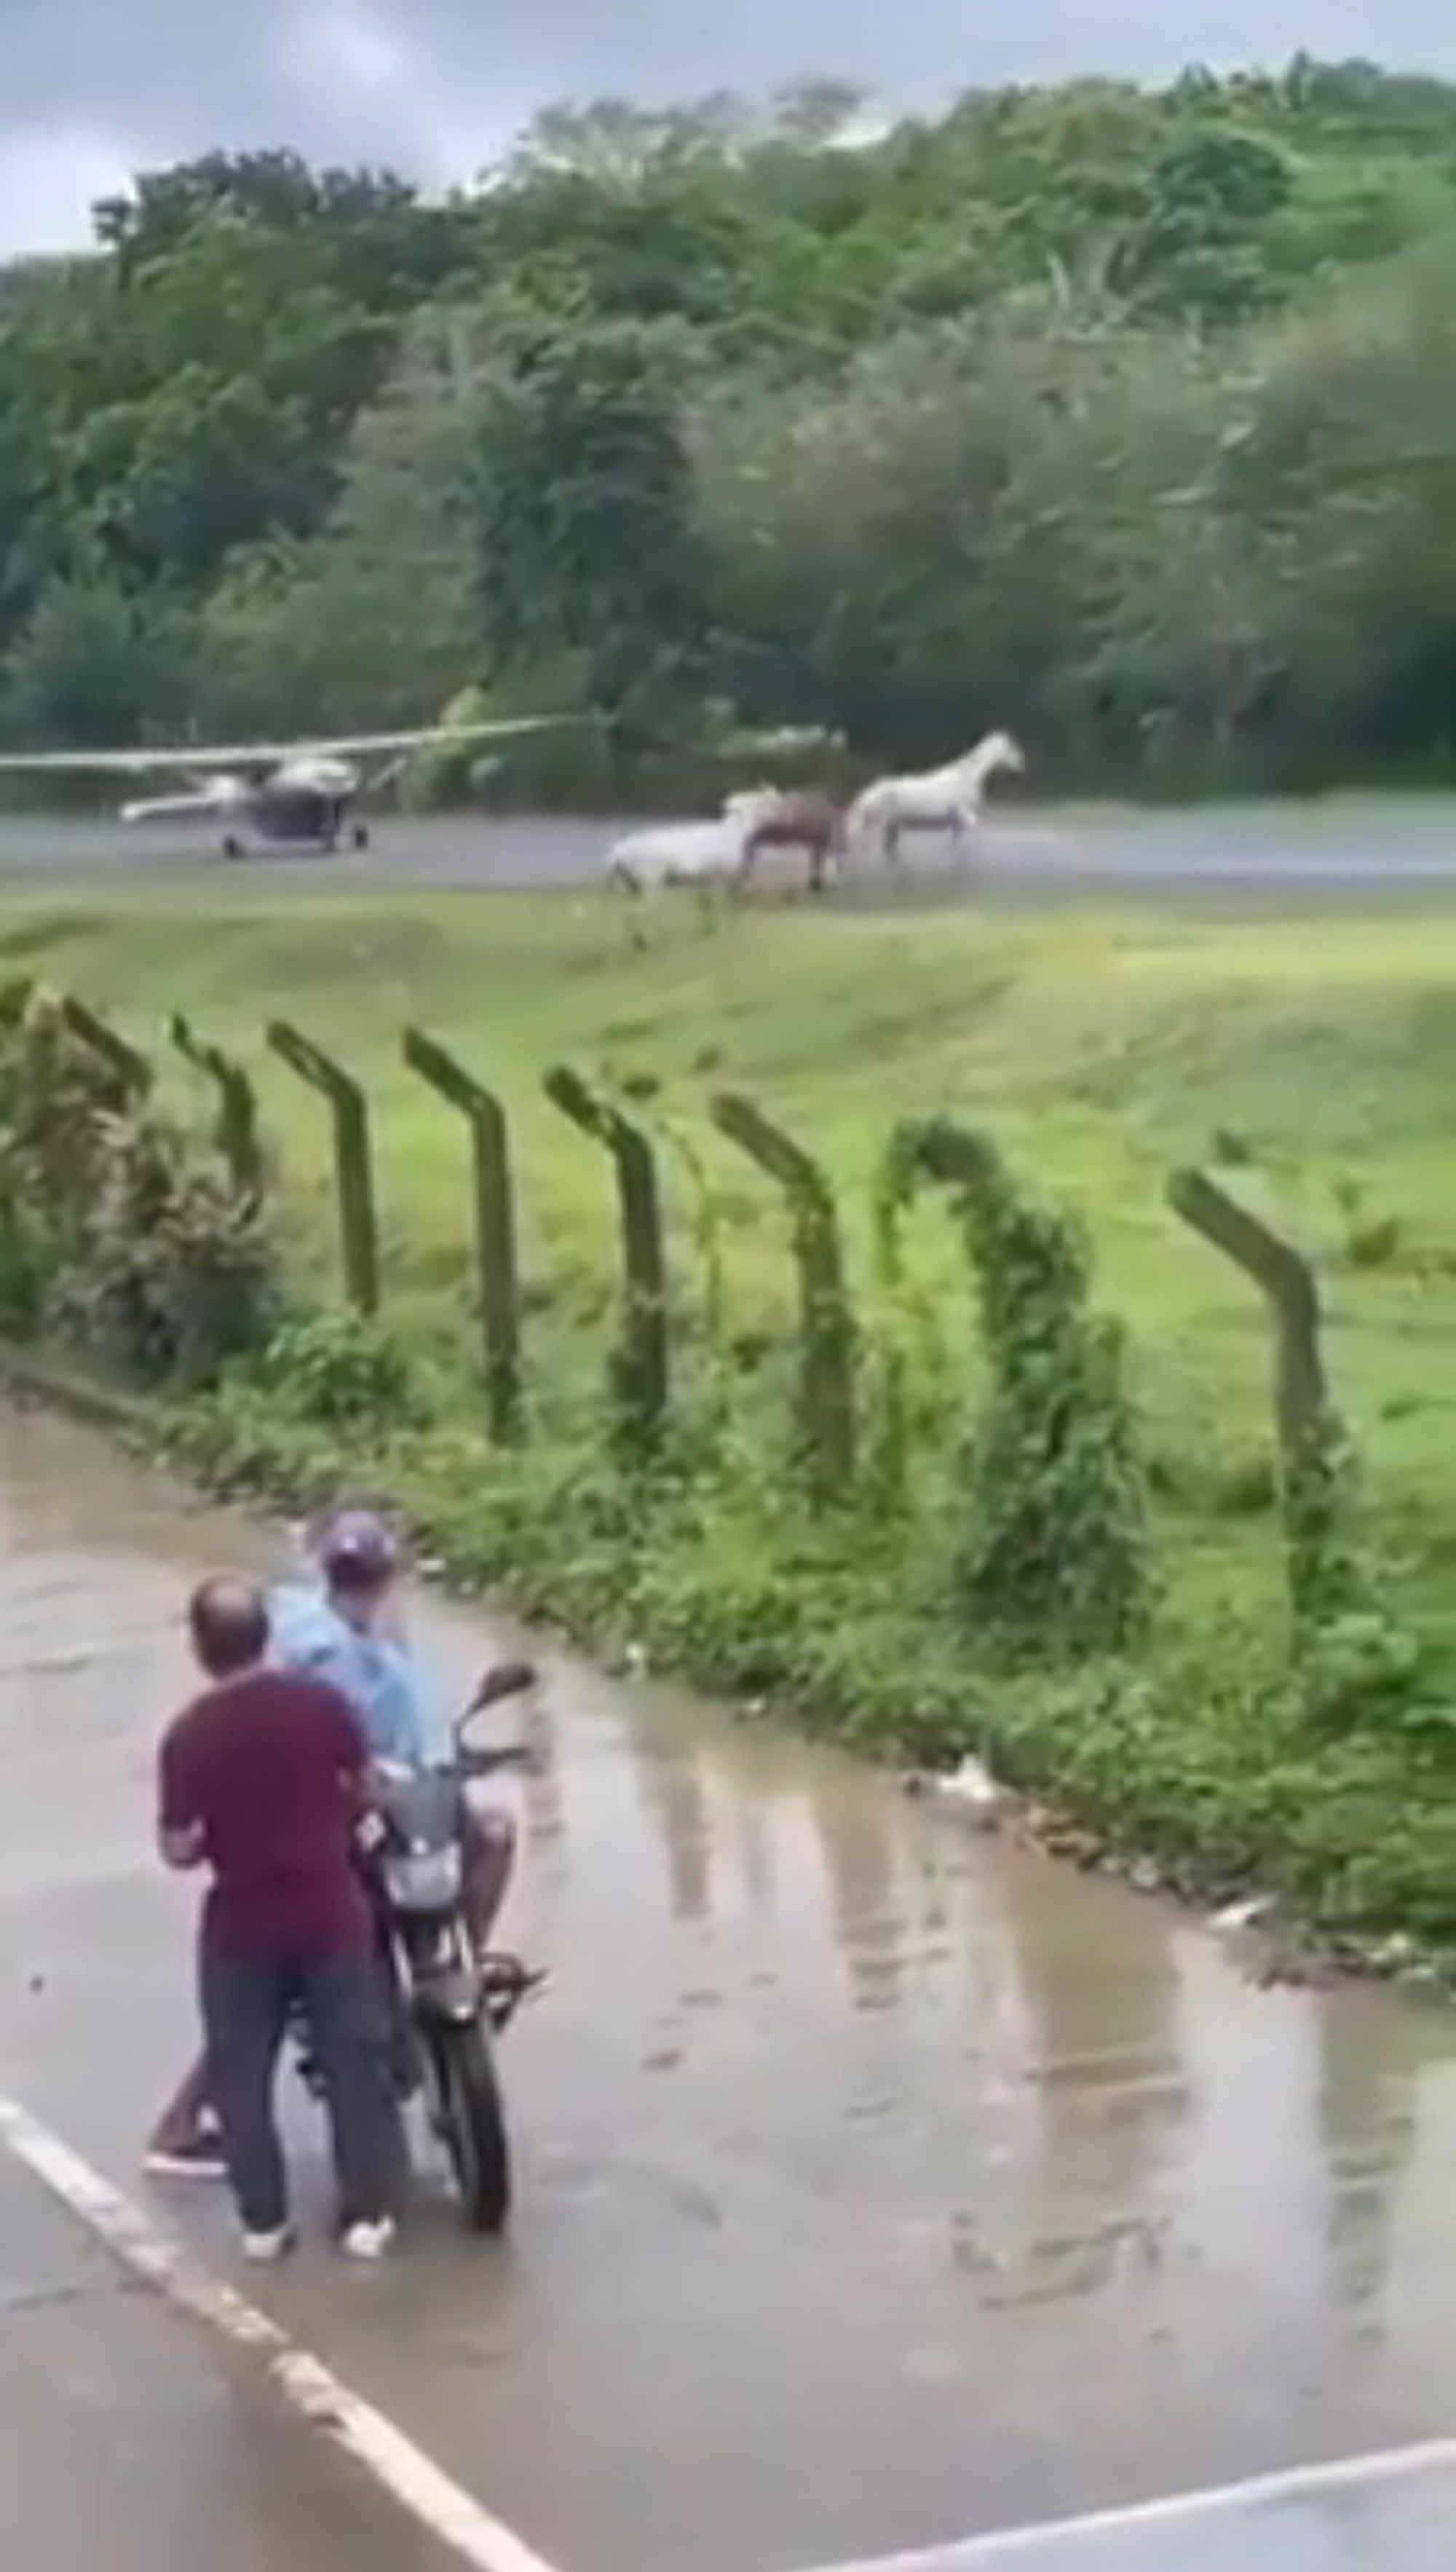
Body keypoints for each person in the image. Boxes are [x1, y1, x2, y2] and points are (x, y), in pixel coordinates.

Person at [146, 1508, 516, 2177]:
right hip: (335, 1820)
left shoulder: (369, 1632)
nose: (367, 1585)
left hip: (404, 1805)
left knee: (492, 1833)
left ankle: (457, 1966)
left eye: (369, 1572)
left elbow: (420, 1728)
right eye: (361, 1574)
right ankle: (187, 2117)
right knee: (299, 1966)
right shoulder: (309, 1645)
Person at [157, 1575, 404, 2262]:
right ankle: (366, 2218)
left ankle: (264, 2223)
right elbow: (370, 1789)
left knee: (242, 2073)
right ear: (265, 1635)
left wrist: (216, 1840)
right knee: (354, 2060)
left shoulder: (189, 1737)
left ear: (202, 1649)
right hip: (329, 1911)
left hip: (243, 1925)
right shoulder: (322, 1706)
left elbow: (178, 1848)